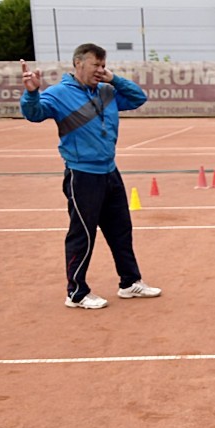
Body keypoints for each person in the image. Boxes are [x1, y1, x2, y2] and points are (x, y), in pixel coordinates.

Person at [19, 44, 161, 309]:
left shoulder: (107, 92)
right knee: (82, 234)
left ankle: (130, 283)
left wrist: (114, 79)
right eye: (95, 65)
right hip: (82, 174)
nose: (100, 69)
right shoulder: (59, 94)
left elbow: (138, 98)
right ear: (78, 63)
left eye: (103, 64)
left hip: (110, 171)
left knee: (121, 231)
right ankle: (76, 292)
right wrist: (31, 93)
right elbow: (34, 114)